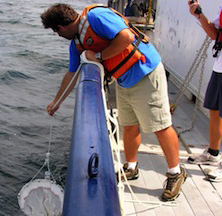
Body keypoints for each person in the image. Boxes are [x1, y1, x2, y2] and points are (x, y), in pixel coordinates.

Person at [41, 3, 187, 201]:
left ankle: (175, 172)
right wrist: (56, 102)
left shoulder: (96, 16)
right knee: (129, 126)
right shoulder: (77, 44)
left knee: (160, 125)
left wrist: (98, 56)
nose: (56, 35)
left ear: (61, 27)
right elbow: (71, 73)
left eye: (55, 31)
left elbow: (126, 37)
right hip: (124, 80)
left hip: (145, 72)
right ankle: (131, 167)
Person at [187, 0, 222, 181]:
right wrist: (199, 15)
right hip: (220, 67)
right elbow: (214, 34)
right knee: (214, 110)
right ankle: (213, 153)